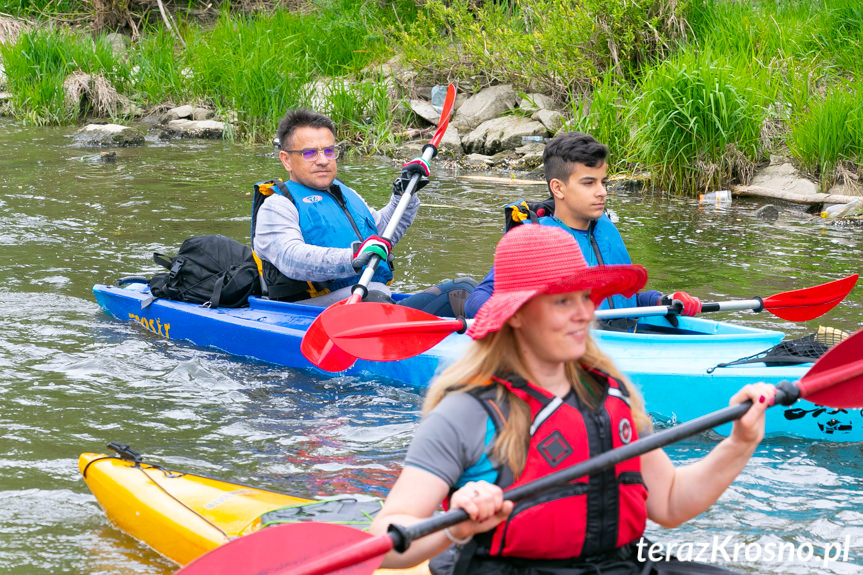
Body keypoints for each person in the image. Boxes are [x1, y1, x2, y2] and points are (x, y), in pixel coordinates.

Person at [369, 224, 775, 575]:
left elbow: (670, 502)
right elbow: (385, 537)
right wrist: (454, 526)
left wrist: (739, 442)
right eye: (563, 301)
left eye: (585, 297)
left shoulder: (611, 392)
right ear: (516, 315)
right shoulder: (467, 410)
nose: (584, 313)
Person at [252, 108, 475, 315]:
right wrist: (353, 258)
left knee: (466, 291)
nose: (323, 161)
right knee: (374, 299)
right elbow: (291, 258)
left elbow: (384, 236)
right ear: (286, 160)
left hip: (373, 300)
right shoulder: (277, 206)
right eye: (310, 153)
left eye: (329, 151)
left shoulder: (347, 195)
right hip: (313, 312)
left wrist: (404, 192)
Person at [464, 132, 702, 323]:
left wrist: (665, 300)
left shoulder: (604, 232)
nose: (602, 192)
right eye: (589, 183)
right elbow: (478, 299)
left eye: (603, 182)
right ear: (558, 188)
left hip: (620, 340)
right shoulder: (535, 240)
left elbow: (625, 302)